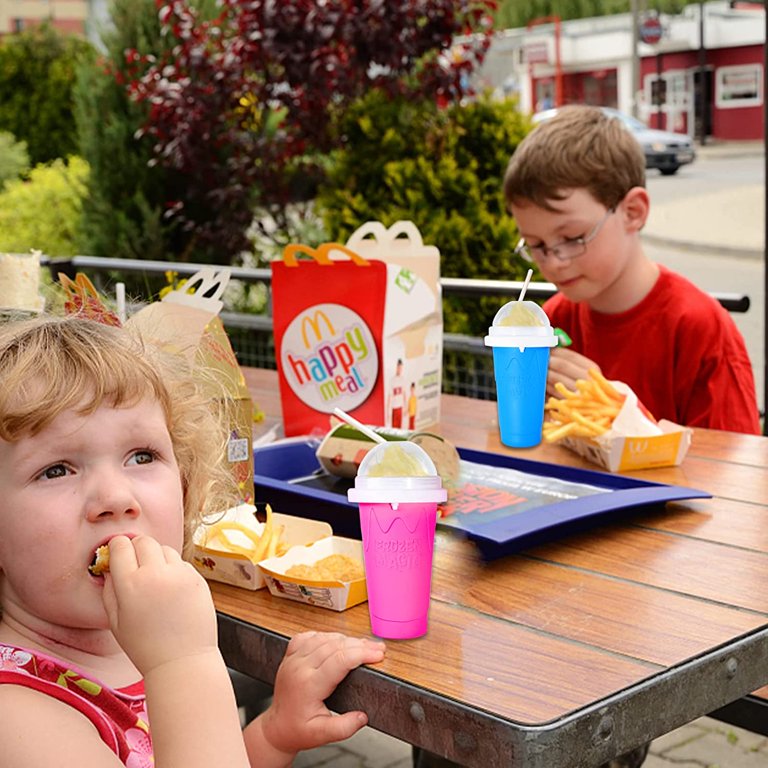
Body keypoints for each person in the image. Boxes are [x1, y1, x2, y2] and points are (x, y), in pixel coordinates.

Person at [0, 314, 386, 768]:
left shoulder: (136, 642)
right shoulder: (17, 720)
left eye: (141, 456)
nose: (116, 498)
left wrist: (274, 733)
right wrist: (184, 665)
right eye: (56, 469)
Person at [503, 104, 760, 435]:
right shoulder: (552, 321)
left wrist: (617, 414)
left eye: (572, 237)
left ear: (633, 212)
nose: (553, 261)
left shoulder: (700, 329)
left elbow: (734, 473)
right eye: (535, 245)